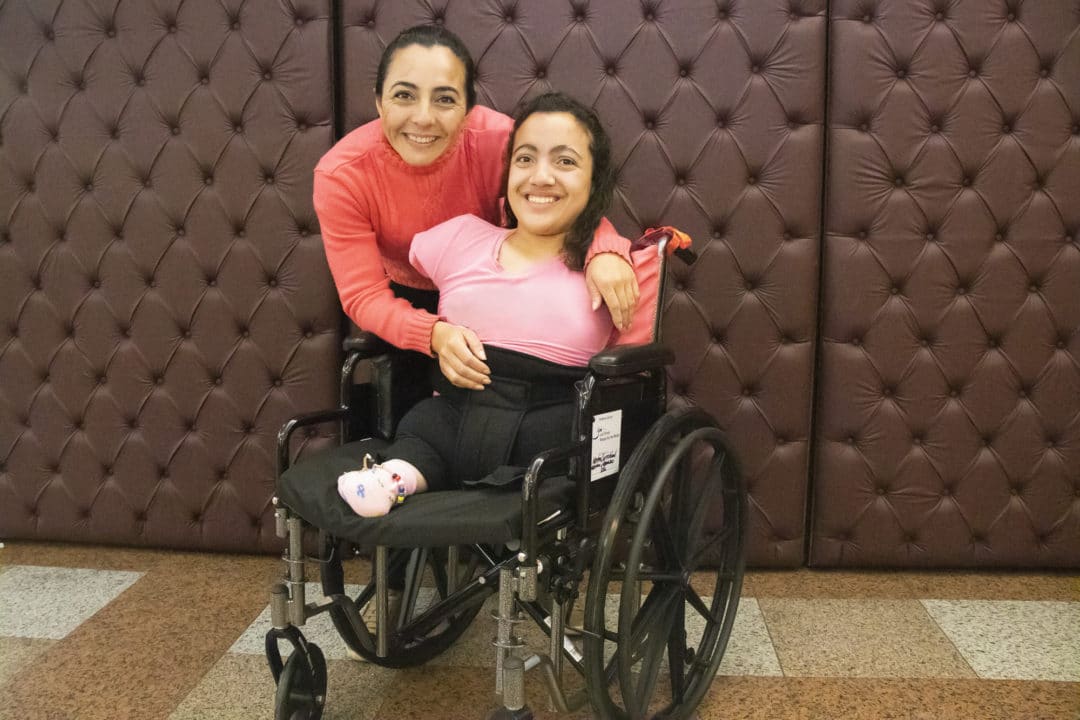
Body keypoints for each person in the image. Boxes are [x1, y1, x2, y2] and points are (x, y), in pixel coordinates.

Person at [336, 92, 687, 517]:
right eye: (525, 159)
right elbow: (391, 262)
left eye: (565, 161)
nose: (540, 177)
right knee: (424, 428)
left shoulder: (608, 267)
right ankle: (393, 479)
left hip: (552, 418)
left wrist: (605, 241)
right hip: (458, 405)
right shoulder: (459, 238)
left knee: (559, 442)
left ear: (595, 182)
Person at [313, 25, 640, 391]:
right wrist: (433, 333)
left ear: (469, 108)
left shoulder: (501, 141)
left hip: (490, 284)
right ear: (378, 101)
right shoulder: (340, 174)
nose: (423, 118)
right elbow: (364, 295)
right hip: (401, 296)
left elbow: (564, 197)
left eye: (445, 99)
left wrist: (605, 248)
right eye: (404, 95)